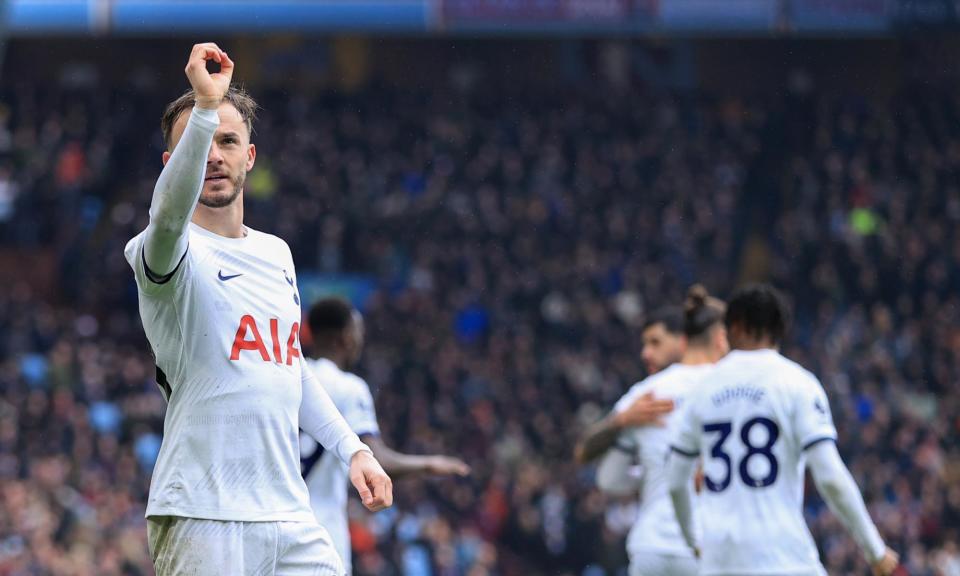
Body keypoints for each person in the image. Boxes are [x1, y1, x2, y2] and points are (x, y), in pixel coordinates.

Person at [123, 43, 392, 575]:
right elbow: (168, 213)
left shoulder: (277, 254)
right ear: (172, 165)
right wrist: (203, 108)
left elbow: (288, 366)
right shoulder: (162, 248)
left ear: (250, 157)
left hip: (289, 514)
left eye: (228, 142)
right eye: (199, 146)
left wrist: (352, 449)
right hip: (202, 511)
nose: (214, 156)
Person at [667, 284, 899, 576]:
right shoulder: (797, 383)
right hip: (781, 556)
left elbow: (676, 481)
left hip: (719, 560)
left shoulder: (701, 391)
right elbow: (829, 477)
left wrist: (694, 541)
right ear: (779, 329)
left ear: (734, 327)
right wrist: (874, 549)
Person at [301, 297, 471, 574]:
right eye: (358, 333)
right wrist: (428, 464)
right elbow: (375, 458)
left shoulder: (289, 376)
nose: (360, 341)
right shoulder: (349, 388)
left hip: (275, 521)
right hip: (321, 533)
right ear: (345, 337)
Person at [595, 285, 728, 576]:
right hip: (709, 545)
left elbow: (608, 479)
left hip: (651, 547)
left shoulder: (643, 396)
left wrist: (650, 476)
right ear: (720, 339)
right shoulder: (731, 390)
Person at [574, 307, 686, 464]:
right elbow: (583, 452)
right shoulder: (644, 397)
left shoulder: (712, 379)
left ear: (683, 340)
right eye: (645, 344)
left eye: (655, 343)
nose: (645, 353)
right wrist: (621, 420)